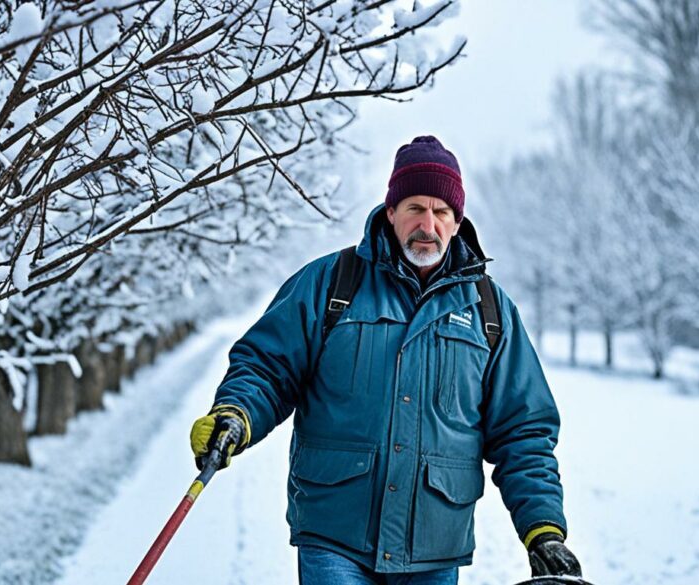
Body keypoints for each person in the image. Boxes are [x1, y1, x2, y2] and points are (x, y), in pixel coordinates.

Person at [190, 136, 582, 584]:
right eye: (415, 207)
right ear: (391, 211)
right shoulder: (331, 283)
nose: (427, 224)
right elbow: (266, 367)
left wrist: (543, 529)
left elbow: (523, 430)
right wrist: (237, 412)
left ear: (457, 221)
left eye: (441, 211)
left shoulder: (489, 310)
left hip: (435, 549)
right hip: (335, 537)